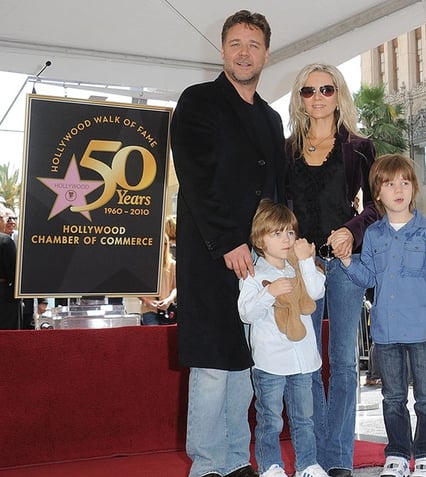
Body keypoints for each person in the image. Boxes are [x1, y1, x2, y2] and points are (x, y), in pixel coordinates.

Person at [170, 10, 283, 477]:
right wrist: (228, 241)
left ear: (265, 54)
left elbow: (277, 190)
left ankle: (239, 460)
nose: (244, 52)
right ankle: (209, 466)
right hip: (213, 255)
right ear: (222, 50)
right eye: (235, 43)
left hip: (259, 260)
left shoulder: (272, 119)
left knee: (245, 365)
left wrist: (279, 249)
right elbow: (196, 180)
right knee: (214, 364)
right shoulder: (197, 101)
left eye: (253, 45)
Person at [283, 63, 378, 477]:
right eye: (308, 91)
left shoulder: (359, 147)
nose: (318, 97)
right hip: (299, 264)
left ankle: (337, 458)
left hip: (342, 263)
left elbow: (376, 205)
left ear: (339, 93)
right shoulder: (285, 149)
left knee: (341, 361)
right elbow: (277, 206)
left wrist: (350, 231)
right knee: (303, 361)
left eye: (326, 88)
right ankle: (312, 456)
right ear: (299, 98)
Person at [340, 154, 426, 477]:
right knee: (392, 398)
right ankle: (399, 454)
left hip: (423, 328)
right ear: (378, 193)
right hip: (386, 330)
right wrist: (348, 262)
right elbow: (369, 278)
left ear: (414, 188)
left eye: (405, 182)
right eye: (390, 184)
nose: (398, 190)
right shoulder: (373, 235)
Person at [238, 200, 328, 477]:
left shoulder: (298, 267)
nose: (286, 239)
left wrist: (305, 261)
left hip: (303, 360)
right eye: (277, 233)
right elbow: (246, 313)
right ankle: (270, 466)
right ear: (260, 239)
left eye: (290, 232)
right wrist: (270, 292)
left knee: (304, 419)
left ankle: (307, 465)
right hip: (270, 362)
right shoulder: (253, 274)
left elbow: (315, 292)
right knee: (270, 419)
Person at [139, 235, 177, 325]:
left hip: (167, 308)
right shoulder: (144, 263)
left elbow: (176, 288)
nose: (162, 246)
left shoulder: (172, 264)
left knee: (169, 336)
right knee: (153, 337)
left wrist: (168, 300)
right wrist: (146, 301)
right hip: (149, 309)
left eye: (164, 243)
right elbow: (137, 288)